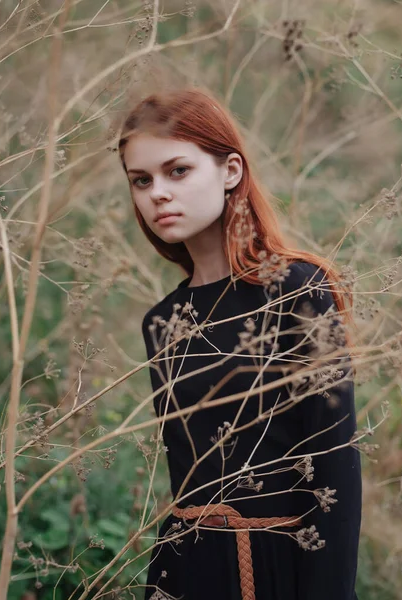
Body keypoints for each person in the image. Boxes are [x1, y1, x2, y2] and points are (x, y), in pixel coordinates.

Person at [117, 87, 362, 600]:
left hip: (276, 564)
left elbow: (335, 468)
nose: (157, 192)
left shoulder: (297, 290)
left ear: (230, 171)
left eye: (177, 170)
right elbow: (185, 474)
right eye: (142, 180)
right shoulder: (163, 321)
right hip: (184, 570)